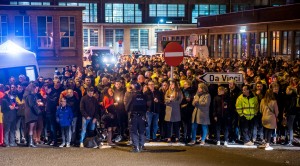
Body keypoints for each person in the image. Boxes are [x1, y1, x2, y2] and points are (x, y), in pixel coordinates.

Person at [126, 83, 147, 152]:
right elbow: (147, 106)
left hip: (134, 115)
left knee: (134, 131)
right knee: (141, 131)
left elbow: (128, 106)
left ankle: (136, 147)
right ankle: (141, 146)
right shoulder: (143, 96)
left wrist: (128, 111)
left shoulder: (132, 95)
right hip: (142, 116)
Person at [24, 83, 41, 147]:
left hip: (29, 113)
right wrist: (37, 106)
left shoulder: (27, 95)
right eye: (35, 88)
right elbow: (31, 104)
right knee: (31, 128)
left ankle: (29, 141)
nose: (36, 89)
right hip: (31, 113)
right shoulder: (30, 96)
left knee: (30, 128)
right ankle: (30, 143)